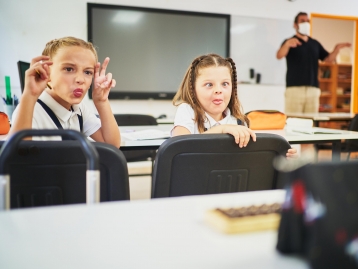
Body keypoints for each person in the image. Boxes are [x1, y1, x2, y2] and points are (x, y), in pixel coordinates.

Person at [172, 53, 297, 158]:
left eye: (225, 84)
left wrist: (281, 159)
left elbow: (248, 160)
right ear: (193, 89)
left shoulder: (239, 122)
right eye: (209, 85)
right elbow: (179, 147)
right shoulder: (187, 111)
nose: (218, 90)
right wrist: (222, 129)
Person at [10, 36, 120, 148]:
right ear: (46, 71)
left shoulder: (79, 109)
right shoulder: (30, 111)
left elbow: (111, 145)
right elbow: (18, 158)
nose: (80, 80)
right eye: (69, 69)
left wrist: (102, 101)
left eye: (87, 72)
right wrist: (29, 96)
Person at [277, 12, 351, 113]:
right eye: (302, 21)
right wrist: (287, 45)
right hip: (294, 89)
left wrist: (337, 48)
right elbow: (279, 55)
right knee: (293, 120)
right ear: (295, 24)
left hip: (313, 89)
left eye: (307, 21)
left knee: (311, 121)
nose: (306, 23)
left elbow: (328, 59)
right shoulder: (289, 41)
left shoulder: (314, 43)